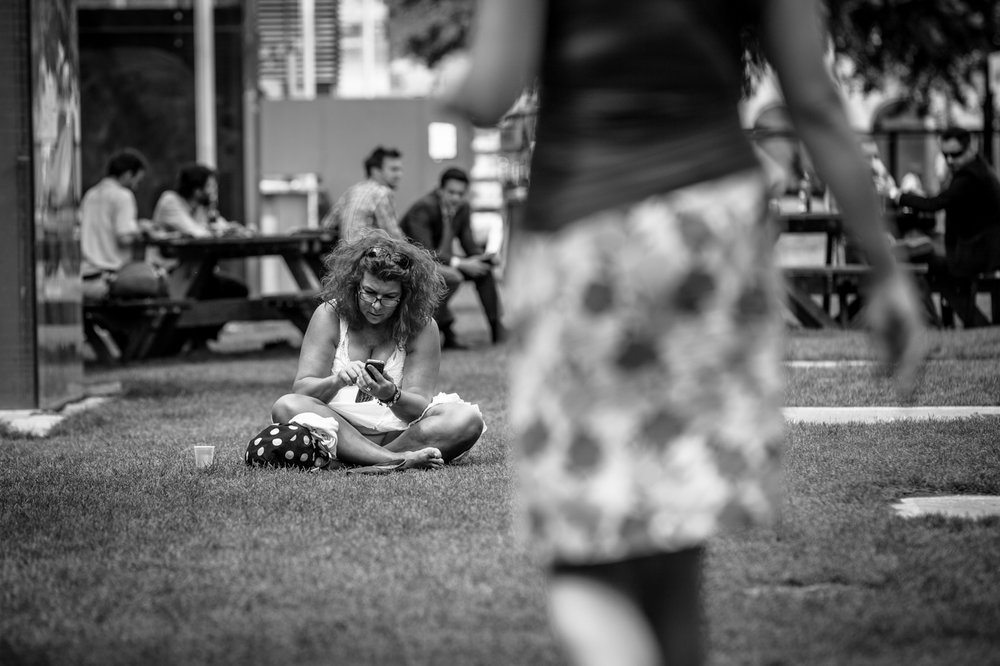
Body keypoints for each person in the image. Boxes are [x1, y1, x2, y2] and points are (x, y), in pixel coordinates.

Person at [444, 1, 926, 665]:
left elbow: (490, 90)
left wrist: (451, 78)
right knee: (675, 553)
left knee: (582, 565)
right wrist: (888, 268)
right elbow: (813, 98)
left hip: (590, 229)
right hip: (713, 230)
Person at [270, 229, 486, 470]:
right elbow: (303, 390)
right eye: (369, 292)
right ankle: (395, 460)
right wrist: (338, 381)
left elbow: (417, 408)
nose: (376, 305)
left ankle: (359, 460)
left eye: (389, 297)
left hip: (399, 434)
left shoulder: (423, 326)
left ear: (406, 296)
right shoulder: (329, 314)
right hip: (335, 428)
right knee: (287, 405)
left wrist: (390, 394)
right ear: (354, 285)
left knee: (466, 419)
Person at [884, 127, 1000, 327]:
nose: (949, 161)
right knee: (922, 258)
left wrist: (897, 195)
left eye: (955, 155)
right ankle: (942, 323)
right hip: (981, 251)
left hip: (977, 255)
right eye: (945, 155)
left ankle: (940, 324)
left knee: (916, 262)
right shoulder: (977, 169)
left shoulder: (969, 177)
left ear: (970, 149)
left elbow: (935, 204)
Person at [400, 167, 505, 349]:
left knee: (483, 271)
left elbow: (468, 243)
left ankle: (497, 329)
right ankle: (442, 330)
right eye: (451, 192)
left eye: (461, 193)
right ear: (440, 190)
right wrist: (461, 263)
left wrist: (483, 258)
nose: (456, 198)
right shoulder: (423, 208)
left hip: (444, 262)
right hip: (415, 263)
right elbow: (425, 251)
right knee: (450, 277)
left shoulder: (462, 208)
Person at [152, 163, 250, 348]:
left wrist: (234, 229)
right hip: (170, 274)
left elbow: (220, 225)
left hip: (194, 272)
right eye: (210, 187)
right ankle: (188, 341)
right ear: (197, 190)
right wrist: (221, 230)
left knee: (237, 290)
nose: (214, 192)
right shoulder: (171, 201)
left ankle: (201, 340)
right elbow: (197, 233)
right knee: (204, 291)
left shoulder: (202, 207)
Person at [80, 148, 148, 300]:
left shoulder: (90, 195)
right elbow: (123, 236)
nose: (136, 186)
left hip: (84, 276)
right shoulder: (123, 196)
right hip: (107, 279)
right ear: (128, 174)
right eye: (137, 180)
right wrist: (142, 232)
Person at [322, 146, 405, 243]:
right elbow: (394, 236)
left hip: (344, 254)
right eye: (394, 169)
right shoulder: (382, 192)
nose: (399, 175)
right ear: (376, 171)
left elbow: (327, 225)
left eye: (400, 170)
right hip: (367, 255)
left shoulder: (352, 190)